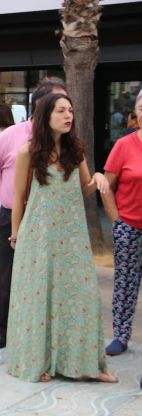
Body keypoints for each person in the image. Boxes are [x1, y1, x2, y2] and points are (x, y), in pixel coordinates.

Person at [7, 93, 116, 383]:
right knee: (39, 297)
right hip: (38, 236)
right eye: (61, 111)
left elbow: (85, 187)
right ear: (46, 116)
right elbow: (19, 197)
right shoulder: (27, 152)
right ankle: (39, 362)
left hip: (72, 237)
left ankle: (86, 364)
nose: (68, 115)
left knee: (80, 296)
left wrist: (101, 178)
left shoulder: (75, 150)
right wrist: (16, 235)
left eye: (70, 110)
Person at [0, 77, 67, 349]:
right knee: (10, 274)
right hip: (13, 216)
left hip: (53, 219)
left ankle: (44, 332)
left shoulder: (67, 141)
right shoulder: (11, 136)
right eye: (57, 104)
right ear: (40, 105)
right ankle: (2, 328)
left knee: (49, 277)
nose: (65, 111)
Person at [100, 90, 142, 356]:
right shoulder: (124, 145)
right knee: (126, 283)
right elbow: (106, 186)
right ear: (136, 112)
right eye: (141, 106)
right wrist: (117, 222)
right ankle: (121, 335)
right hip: (129, 225)